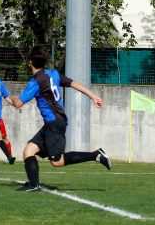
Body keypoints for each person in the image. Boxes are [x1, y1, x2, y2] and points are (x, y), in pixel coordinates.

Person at [10, 45, 111, 192]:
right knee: (28, 151)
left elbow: (18, 103)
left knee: (57, 161)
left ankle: (95, 155)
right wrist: (93, 96)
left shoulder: (36, 82)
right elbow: (73, 83)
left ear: (30, 61)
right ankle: (33, 184)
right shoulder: (53, 74)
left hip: (54, 124)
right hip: (53, 124)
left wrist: (10, 97)